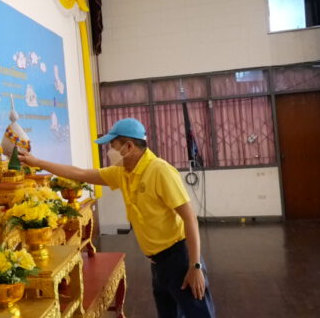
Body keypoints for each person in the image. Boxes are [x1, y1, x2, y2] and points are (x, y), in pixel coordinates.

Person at [19, 118, 216, 318]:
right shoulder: (123, 173)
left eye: (112, 146)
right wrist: (38, 162)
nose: (109, 151)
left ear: (128, 147)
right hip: (158, 263)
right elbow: (79, 173)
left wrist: (195, 266)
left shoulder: (159, 170)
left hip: (181, 258)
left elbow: (190, 218)